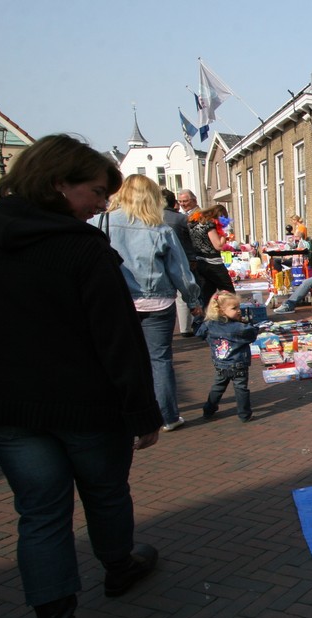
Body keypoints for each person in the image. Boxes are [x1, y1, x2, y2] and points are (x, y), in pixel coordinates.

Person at [0, 134, 162, 618]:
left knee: (40, 515)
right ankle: (118, 566)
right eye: (94, 192)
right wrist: (142, 412)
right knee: (105, 491)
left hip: (12, 409)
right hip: (86, 406)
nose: (100, 204)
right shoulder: (82, 250)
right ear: (58, 184)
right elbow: (118, 341)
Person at [107, 175, 203, 432]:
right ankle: (168, 416)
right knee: (159, 360)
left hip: (117, 302)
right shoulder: (159, 228)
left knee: (121, 358)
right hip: (157, 302)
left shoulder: (101, 223)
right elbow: (179, 271)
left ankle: (128, 413)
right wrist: (193, 300)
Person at [195, 291, 259, 422]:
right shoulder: (239, 327)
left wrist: (198, 319)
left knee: (218, 387)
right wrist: (250, 323)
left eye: (238, 307)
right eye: (234, 308)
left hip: (220, 363)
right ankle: (244, 415)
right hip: (238, 363)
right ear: (221, 311)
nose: (239, 311)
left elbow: (199, 333)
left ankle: (208, 410)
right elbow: (252, 334)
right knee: (241, 388)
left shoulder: (209, 324)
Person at [163, 188, 199, 336]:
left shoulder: (150, 219)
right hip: (181, 259)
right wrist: (192, 258)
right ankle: (186, 328)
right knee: (182, 291)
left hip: (160, 261)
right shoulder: (181, 219)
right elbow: (191, 241)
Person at [189, 203, 235, 307]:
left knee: (207, 295)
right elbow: (218, 246)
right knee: (229, 293)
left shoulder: (194, 223)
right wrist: (223, 235)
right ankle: (232, 313)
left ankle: (209, 315)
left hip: (200, 262)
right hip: (213, 263)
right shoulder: (209, 225)